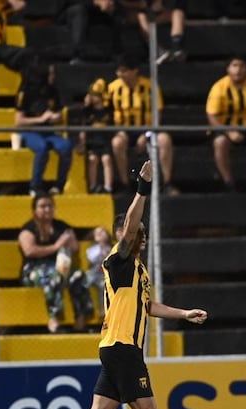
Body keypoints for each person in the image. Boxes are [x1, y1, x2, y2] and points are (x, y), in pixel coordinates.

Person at [63, 160, 216, 409]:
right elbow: (130, 226)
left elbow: (148, 307)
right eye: (137, 235)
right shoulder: (118, 260)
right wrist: (143, 188)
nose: (140, 240)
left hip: (116, 348)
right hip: (123, 349)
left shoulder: (137, 272)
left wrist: (183, 313)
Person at [18, 191, 94, 333]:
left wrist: (70, 241)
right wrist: (56, 247)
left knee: (78, 275)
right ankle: (54, 320)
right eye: (42, 206)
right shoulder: (29, 228)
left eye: (50, 206)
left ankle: (81, 320)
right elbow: (29, 251)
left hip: (60, 266)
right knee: (55, 276)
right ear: (35, 209)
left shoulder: (61, 226)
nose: (47, 209)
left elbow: (75, 247)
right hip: (33, 270)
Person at [107, 54, 180, 195]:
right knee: (117, 143)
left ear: (135, 71)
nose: (120, 74)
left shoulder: (150, 86)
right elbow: (107, 114)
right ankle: (125, 184)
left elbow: (157, 114)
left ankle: (167, 183)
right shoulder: (113, 88)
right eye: (118, 71)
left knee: (164, 140)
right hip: (123, 131)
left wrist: (146, 134)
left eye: (124, 70)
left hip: (148, 128)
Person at [206, 56, 246, 191]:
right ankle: (228, 182)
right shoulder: (219, 88)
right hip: (225, 129)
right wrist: (229, 132)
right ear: (228, 68)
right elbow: (212, 116)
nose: (238, 70)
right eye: (234, 66)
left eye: (242, 66)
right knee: (220, 143)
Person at [14, 59, 73, 196]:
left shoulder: (53, 90)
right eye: (50, 73)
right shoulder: (25, 91)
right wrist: (40, 119)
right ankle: (35, 186)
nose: (53, 76)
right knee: (42, 147)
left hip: (48, 130)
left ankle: (59, 185)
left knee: (66, 146)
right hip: (30, 131)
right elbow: (19, 121)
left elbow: (59, 113)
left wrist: (56, 117)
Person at [78, 80, 115, 194]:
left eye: (95, 95)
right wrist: (82, 143)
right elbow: (83, 129)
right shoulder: (87, 111)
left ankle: (108, 187)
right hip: (92, 141)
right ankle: (93, 186)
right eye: (91, 94)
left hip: (105, 141)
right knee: (92, 159)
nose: (92, 97)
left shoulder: (109, 110)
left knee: (106, 159)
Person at [84, 224, 111, 316]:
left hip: (104, 275)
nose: (100, 234)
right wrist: (101, 248)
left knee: (103, 285)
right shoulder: (91, 249)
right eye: (98, 233)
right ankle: (87, 306)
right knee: (85, 282)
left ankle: (103, 309)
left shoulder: (111, 249)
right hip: (93, 273)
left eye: (103, 231)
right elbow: (92, 258)